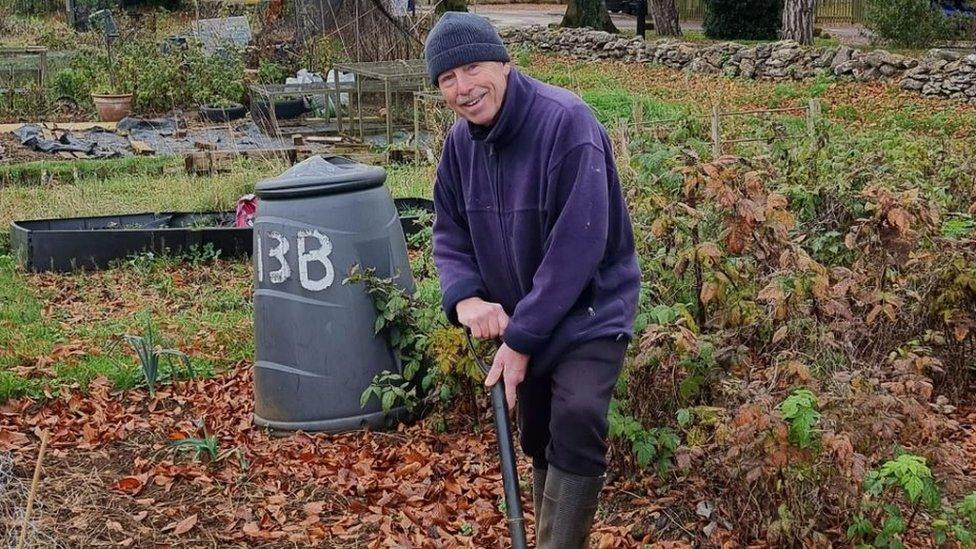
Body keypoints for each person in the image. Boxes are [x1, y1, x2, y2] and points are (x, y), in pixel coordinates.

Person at [424, 12, 641, 548]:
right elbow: (449, 232)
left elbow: (579, 246)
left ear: (503, 62)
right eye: (447, 78)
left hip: (588, 310)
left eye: (472, 68)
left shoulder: (566, 123)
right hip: (523, 314)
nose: (463, 88)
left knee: (578, 417)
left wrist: (520, 340)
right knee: (539, 436)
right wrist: (467, 296)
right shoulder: (460, 145)